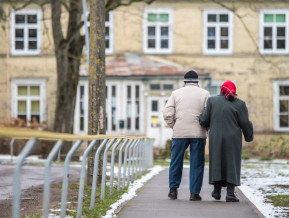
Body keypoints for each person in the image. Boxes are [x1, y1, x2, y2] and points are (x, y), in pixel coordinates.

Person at [199, 80, 253, 202]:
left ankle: (217, 191)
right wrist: (248, 136)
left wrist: (201, 119)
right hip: (233, 138)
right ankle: (230, 193)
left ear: (222, 90)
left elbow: (204, 119)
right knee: (232, 163)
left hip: (216, 136)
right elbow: (245, 122)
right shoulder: (240, 103)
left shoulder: (212, 101)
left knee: (216, 161)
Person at [162, 70, 210, 201]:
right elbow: (208, 114)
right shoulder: (205, 94)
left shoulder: (176, 93)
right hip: (198, 133)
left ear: (184, 82)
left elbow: (167, 112)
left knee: (176, 160)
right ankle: (194, 193)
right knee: (197, 163)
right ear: (197, 82)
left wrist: (174, 125)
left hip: (179, 132)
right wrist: (205, 127)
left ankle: (173, 190)